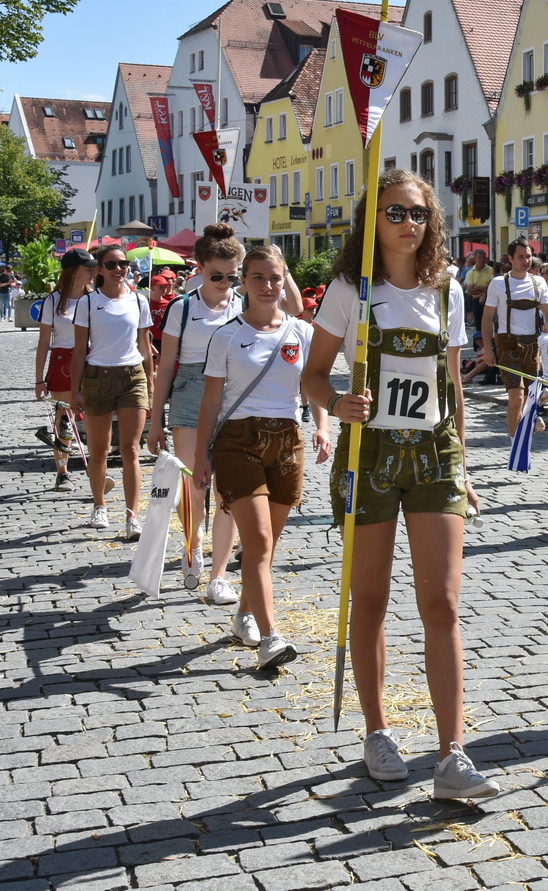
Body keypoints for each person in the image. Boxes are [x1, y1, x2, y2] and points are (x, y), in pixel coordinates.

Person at [302, 169, 497, 800]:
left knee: (442, 603)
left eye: (418, 213)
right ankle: (378, 730)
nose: (408, 224)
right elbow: (312, 375)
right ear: (372, 221)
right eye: (394, 213)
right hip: (370, 456)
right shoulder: (350, 290)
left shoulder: (447, 290)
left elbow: (452, 383)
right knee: (372, 599)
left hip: (435, 455)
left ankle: (452, 755)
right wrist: (336, 403)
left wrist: (464, 463)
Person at [192, 245, 328, 669]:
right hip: (238, 441)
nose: (268, 286)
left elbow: (315, 384)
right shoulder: (226, 336)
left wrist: (323, 425)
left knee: (265, 548)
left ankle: (244, 616)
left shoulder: (302, 332)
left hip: (287, 441)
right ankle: (271, 637)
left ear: (284, 280)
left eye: (275, 277)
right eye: (258, 277)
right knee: (259, 541)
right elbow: (210, 401)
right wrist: (201, 456)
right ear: (243, 282)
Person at [149, 225, 247, 604]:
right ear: (200, 268)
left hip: (232, 395)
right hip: (190, 392)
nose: (225, 284)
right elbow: (165, 366)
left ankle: (218, 576)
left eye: (232, 276)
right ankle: (193, 544)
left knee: (228, 491)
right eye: (216, 276)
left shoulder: (244, 306)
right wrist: (155, 421)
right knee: (195, 483)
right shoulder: (183, 307)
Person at [68, 245, 153, 536]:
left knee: (131, 449)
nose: (119, 269)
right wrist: (75, 390)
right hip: (97, 377)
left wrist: (151, 385)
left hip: (132, 376)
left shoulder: (139, 300)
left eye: (123, 264)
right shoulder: (88, 303)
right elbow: (80, 350)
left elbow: (145, 346)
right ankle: (99, 504)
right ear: (100, 269)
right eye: (112, 264)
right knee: (99, 449)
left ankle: (132, 516)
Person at [33, 249, 95, 492]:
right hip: (62, 361)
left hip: (92, 359)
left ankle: (96, 469)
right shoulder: (53, 301)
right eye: (88, 268)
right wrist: (39, 380)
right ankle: (63, 472)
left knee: (94, 417)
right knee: (64, 420)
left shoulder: (96, 297)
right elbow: (43, 342)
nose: (93, 272)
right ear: (73, 272)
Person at [482, 238, 548, 436]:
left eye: (528, 256)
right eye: (521, 257)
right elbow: (487, 318)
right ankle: (515, 442)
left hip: (532, 345)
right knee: (516, 397)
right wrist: (488, 349)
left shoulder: (538, 282)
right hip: (508, 345)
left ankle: (531, 420)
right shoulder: (498, 283)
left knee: (528, 397)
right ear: (510, 258)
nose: (526, 261)